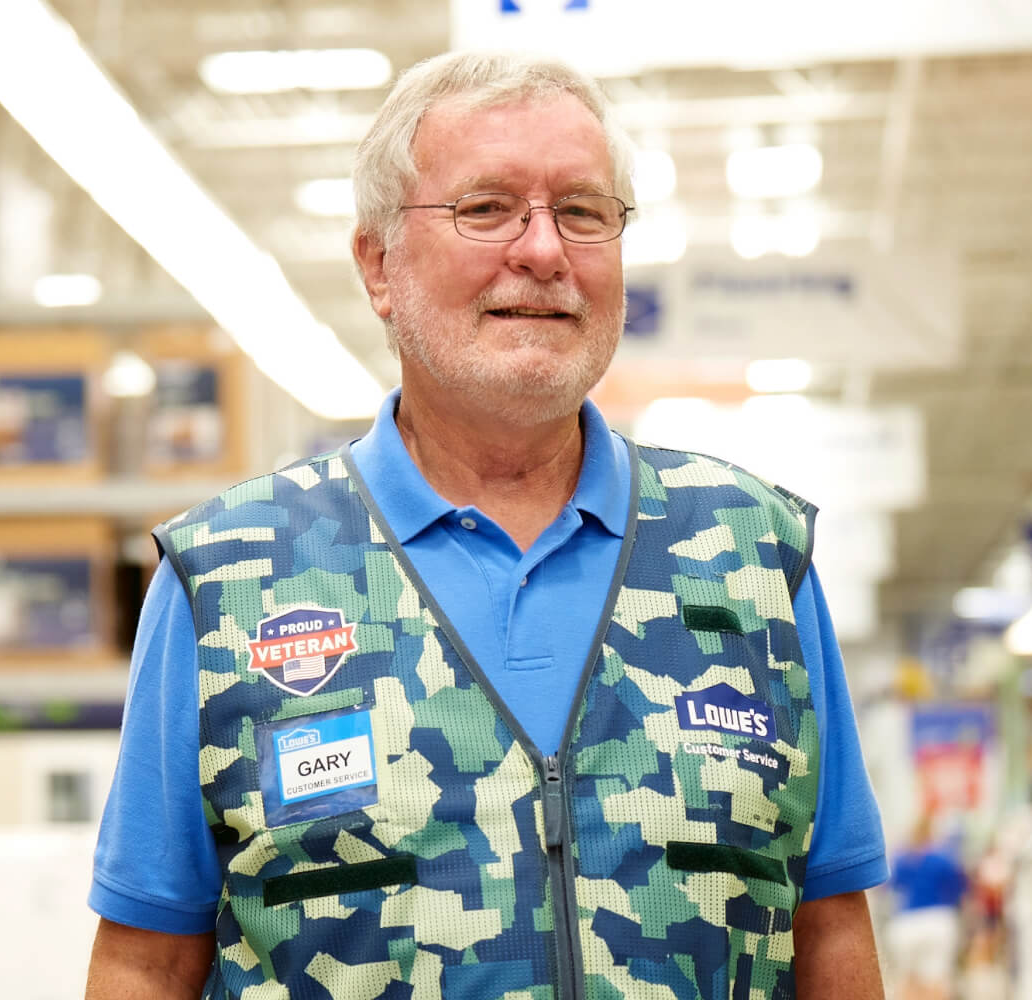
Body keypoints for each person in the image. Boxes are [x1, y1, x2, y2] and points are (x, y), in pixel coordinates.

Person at [84, 50, 888, 999]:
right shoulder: (230, 576)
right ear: (379, 265)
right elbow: (145, 959)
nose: (543, 250)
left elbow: (827, 928)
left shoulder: (756, 558)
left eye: (582, 212)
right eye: (487, 208)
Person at [884, 812, 970, 1000]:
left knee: (907, 981)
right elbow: (960, 888)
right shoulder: (943, 858)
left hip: (906, 922)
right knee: (937, 981)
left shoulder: (901, 858)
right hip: (938, 920)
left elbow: (889, 886)